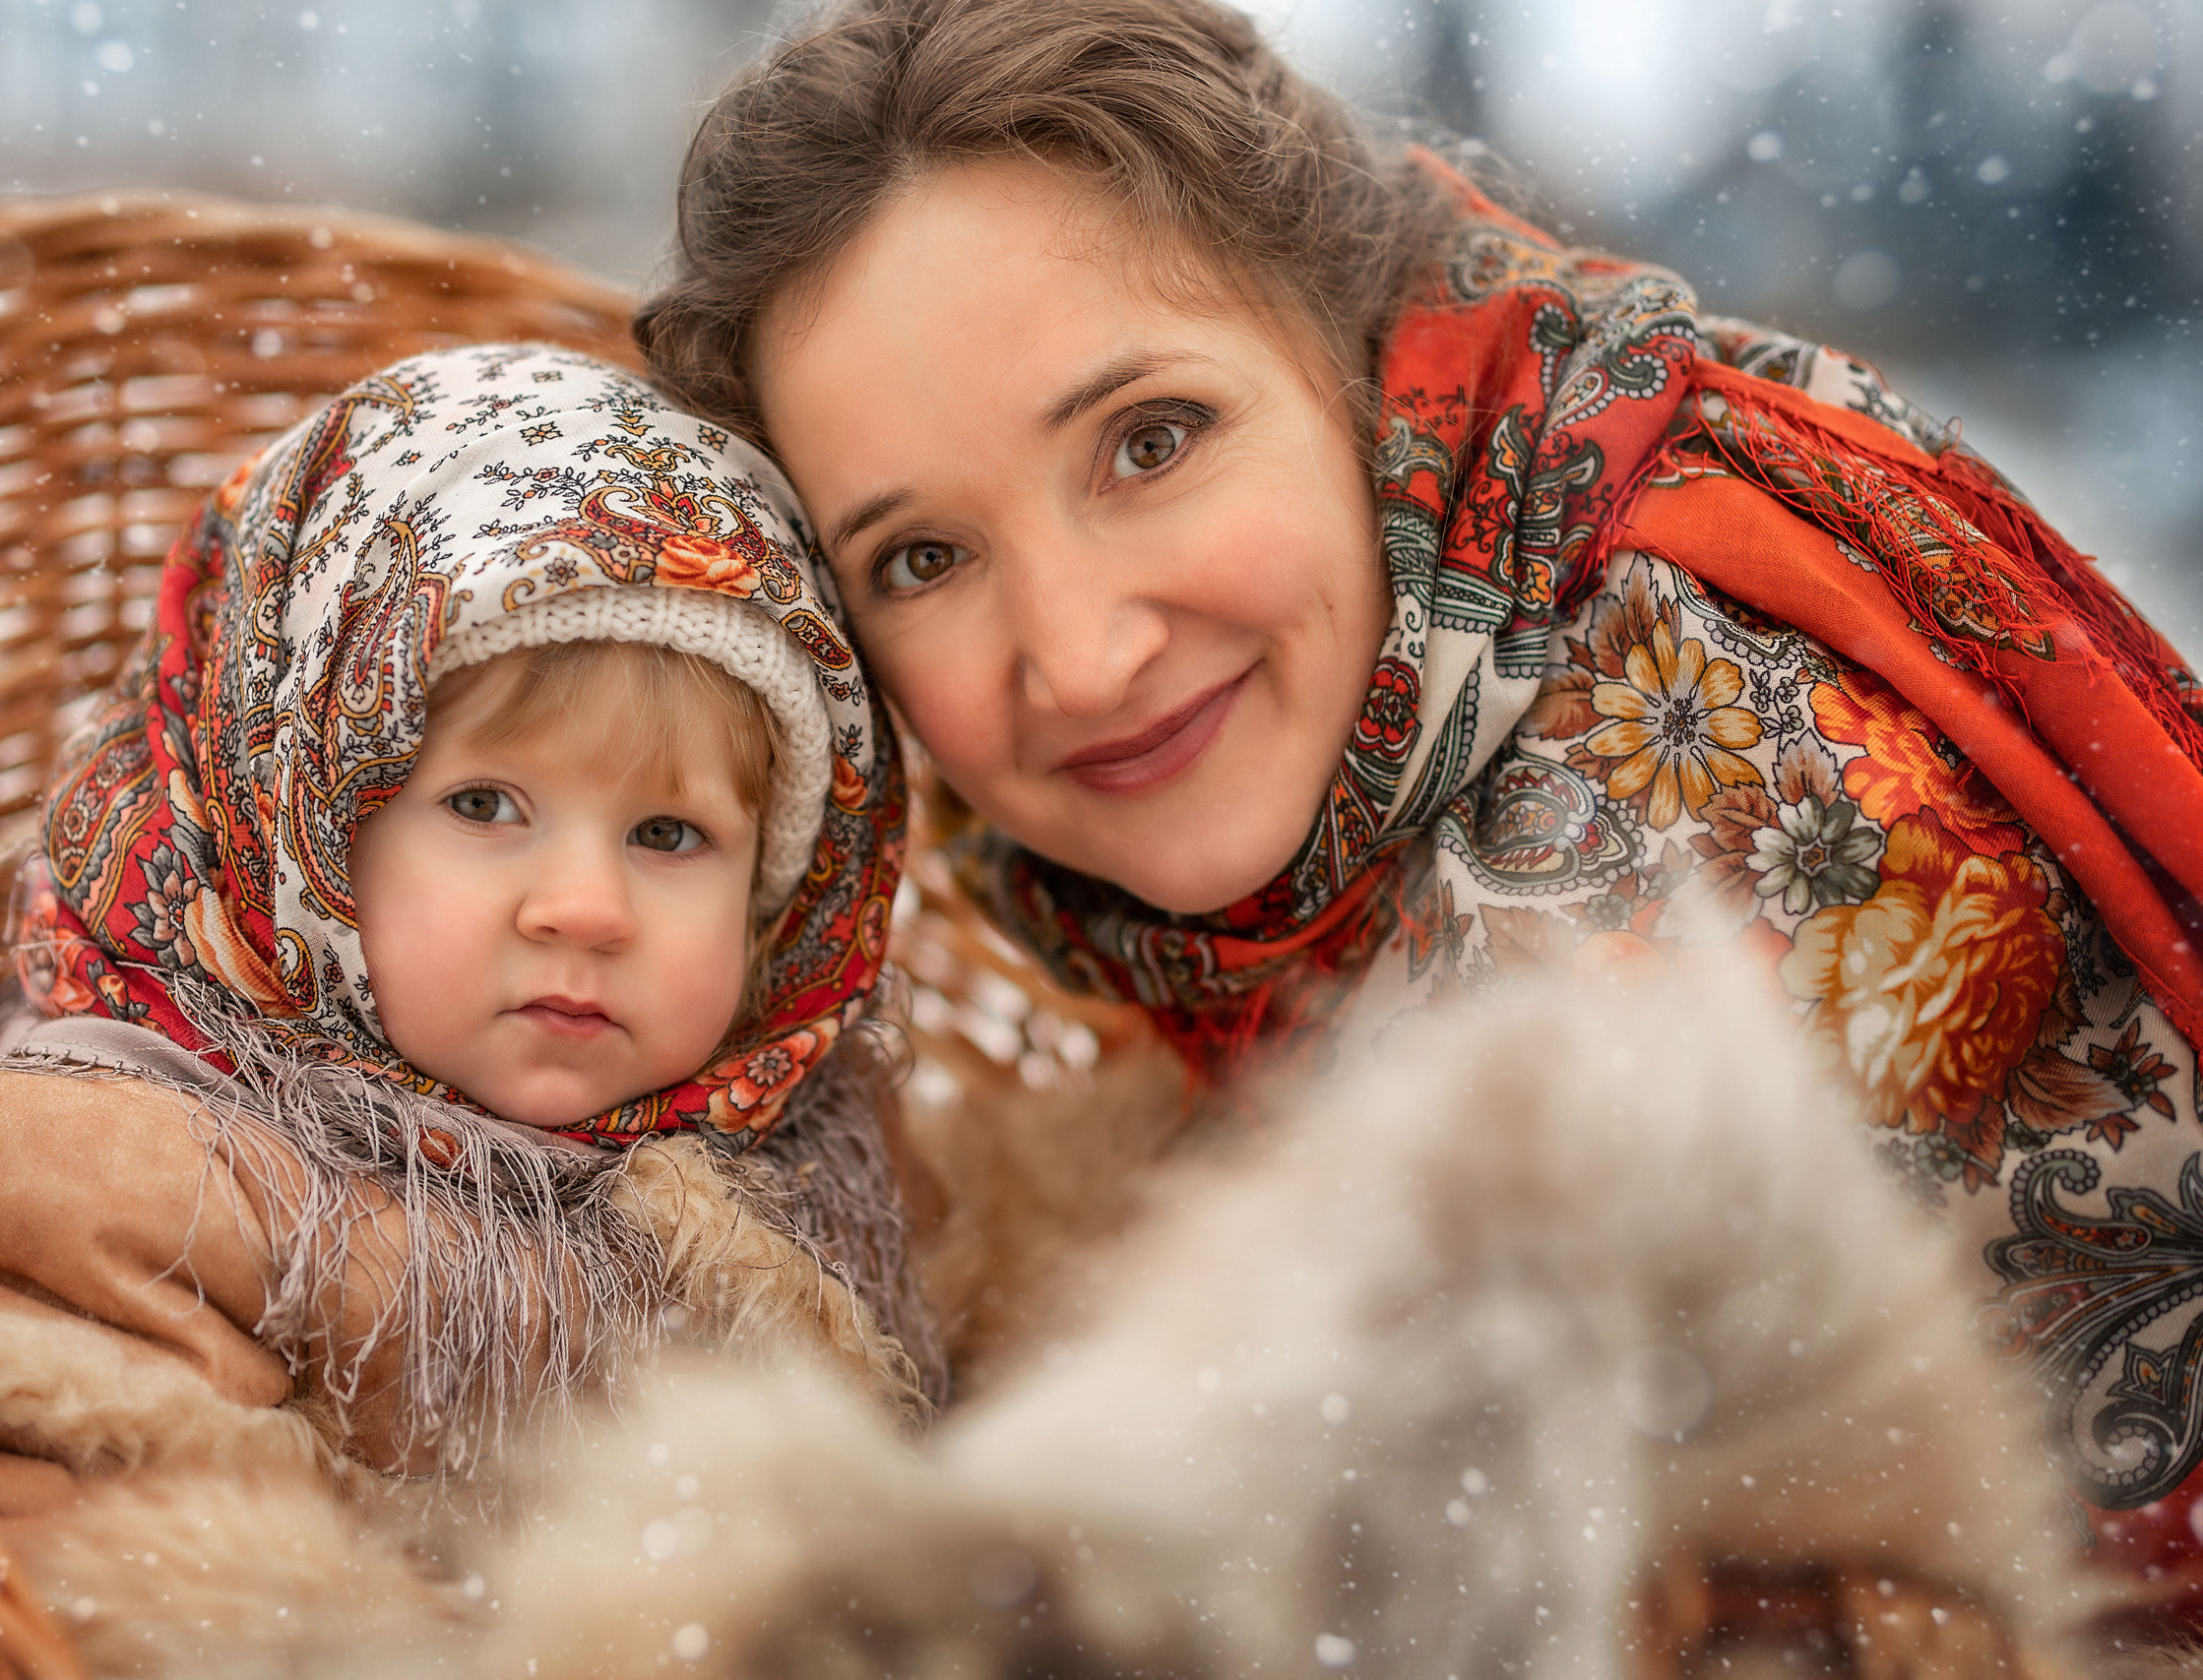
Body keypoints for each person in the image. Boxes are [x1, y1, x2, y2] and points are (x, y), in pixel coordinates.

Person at [634, 0, 2203, 1608]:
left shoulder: (1699, 755)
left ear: (1359, 353)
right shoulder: (1319, 807)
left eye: (1150, 441)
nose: (1083, 655)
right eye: (923, 558)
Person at [0, 342, 937, 1500]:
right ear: (299, 832)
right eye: (484, 805)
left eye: (667, 836)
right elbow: (35, 1557)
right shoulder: (103, 1175)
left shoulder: (819, 1166)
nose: (589, 911)